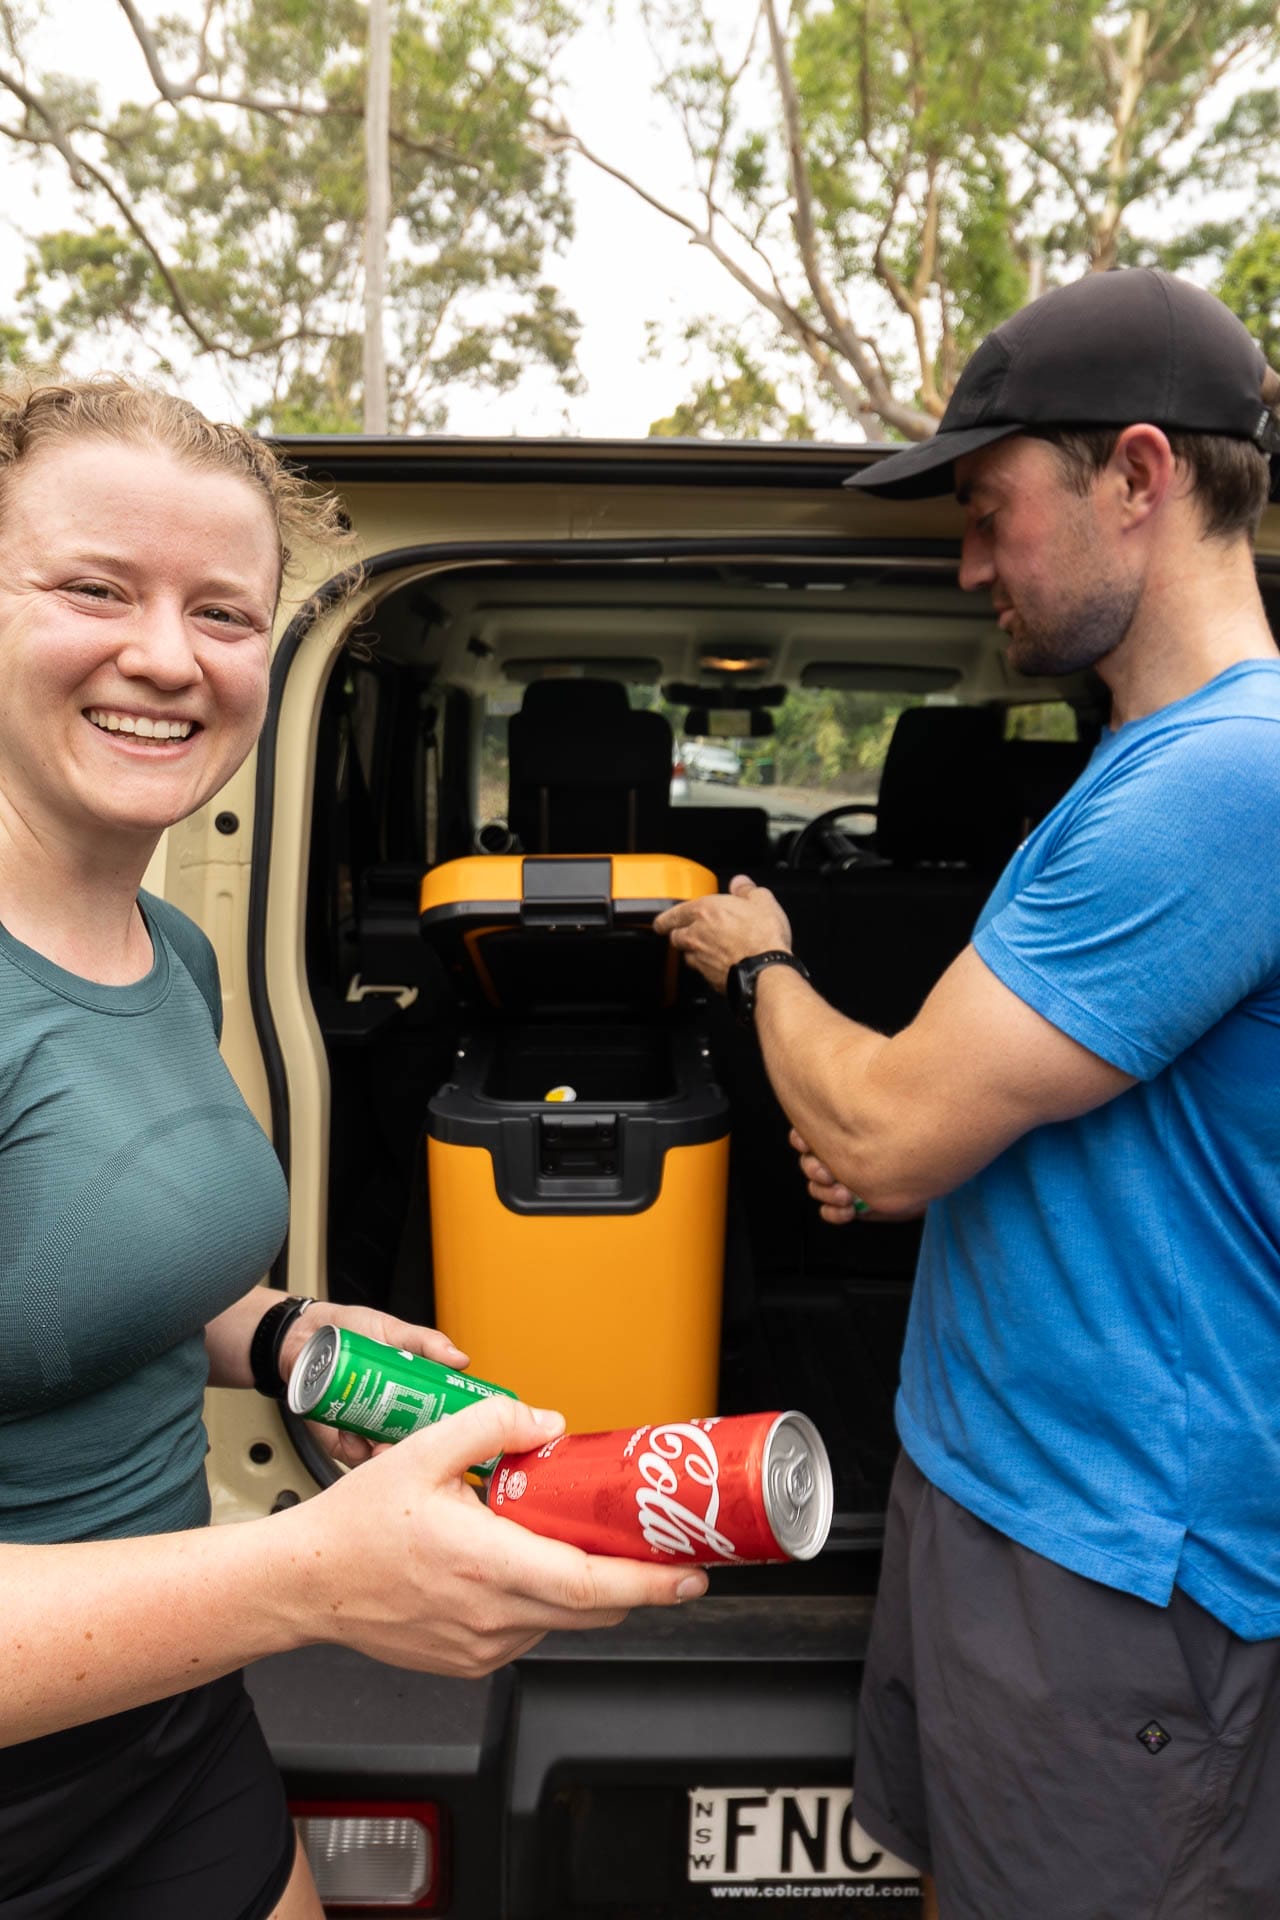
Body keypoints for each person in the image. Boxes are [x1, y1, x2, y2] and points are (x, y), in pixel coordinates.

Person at [0, 375, 708, 1920]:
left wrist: (281, 1335)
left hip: (164, 1722)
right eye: (93, 589)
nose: (167, 657)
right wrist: (307, 1579)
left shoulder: (168, 952)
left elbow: (70, 1274)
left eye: (227, 613)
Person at [654, 268, 1280, 1919]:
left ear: (1140, 476)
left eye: (992, 511)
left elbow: (879, 1132)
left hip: (1118, 1563)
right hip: (987, 1481)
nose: (970, 565)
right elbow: (930, 1152)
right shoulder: (1137, 776)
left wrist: (761, 961)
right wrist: (896, 1127)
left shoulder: (1231, 779)